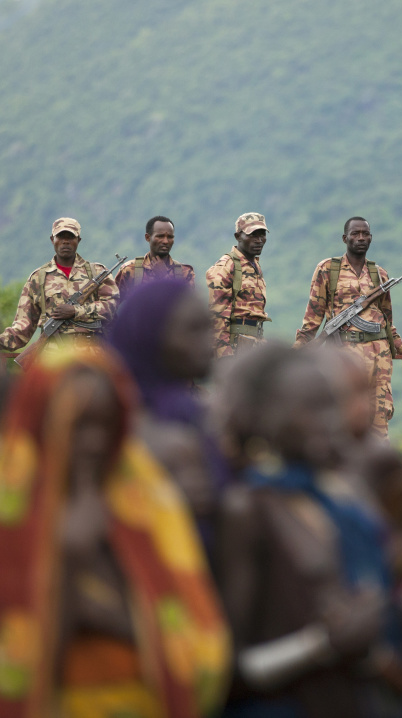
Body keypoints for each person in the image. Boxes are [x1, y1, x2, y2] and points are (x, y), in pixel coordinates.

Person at [0, 343, 231, 718]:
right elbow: (18, 670)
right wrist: (71, 557)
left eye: (106, 426)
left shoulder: (148, 505)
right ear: (40, 422)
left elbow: (197, 635)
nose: (93, 443)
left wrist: (113, 617)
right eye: (77, 427)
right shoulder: (12, 514)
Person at [214, 342, 402, 718]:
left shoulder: (347, 497)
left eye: (330, 404)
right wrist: (321, 646)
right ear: (264, 417)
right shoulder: (249, 508)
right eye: (309, 409)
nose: (328, 421)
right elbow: (228, 667)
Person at [109, 279, 232, 556]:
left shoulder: (193, 413)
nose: (207, 343)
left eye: (207, 327)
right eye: (192, 330)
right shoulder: (114, 417)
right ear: (149, 333)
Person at [294, 216, 402, 439]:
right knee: (346, 415)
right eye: (355, 233)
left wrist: (400, 346)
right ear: (345, 238)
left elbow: (387, 319)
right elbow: (313, 317)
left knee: (380, 418)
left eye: (365, 234)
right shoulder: (328, 269)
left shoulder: (379, 274)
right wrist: (299, 351)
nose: (361, 238)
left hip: (380, 357)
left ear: (371, 238)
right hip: (345, 356)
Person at [0, 217, 119, 352]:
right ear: (52, 240)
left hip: (91, 355)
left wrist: (75, 311)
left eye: (71, 237)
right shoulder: (38, 278)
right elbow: (22, 328)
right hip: (53, 358)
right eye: (60, 237)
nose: (65, 242)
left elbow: (112, 307)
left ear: (78, 240)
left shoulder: (96, 273)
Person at [206, 213, 270, 358]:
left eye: (262, 234)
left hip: (254, 346)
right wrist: (224, 355)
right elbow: (217, 316)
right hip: (235, 348)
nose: (259, 240)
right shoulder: (226, 266)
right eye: (252, 235)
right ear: (238, 236)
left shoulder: (254, 265)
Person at [115, 215, 195, 298]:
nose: (165, 241)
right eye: (160, 236)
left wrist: (164, 277)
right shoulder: (129, 270)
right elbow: (114, 305)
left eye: (170, 237)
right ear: (148, 237)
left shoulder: (184, 272)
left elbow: (189, 307)